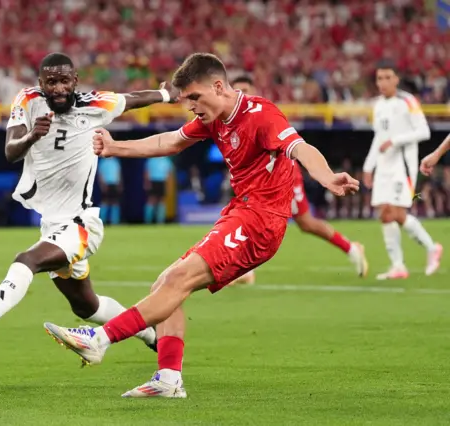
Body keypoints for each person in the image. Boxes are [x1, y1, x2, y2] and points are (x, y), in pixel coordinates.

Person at [43, 53, 359, 398]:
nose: (191, 106)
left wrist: (327, 176)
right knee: (165, 284)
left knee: (177, 280)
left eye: (195, 97)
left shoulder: (260, 114)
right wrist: (117, 147)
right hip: (241, 211)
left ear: (219, 86)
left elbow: (301, 148)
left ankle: (100, 339)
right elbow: (171, 141)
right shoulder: (214, 118)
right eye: (185, 100)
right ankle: (168, 379)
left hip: (261, 220)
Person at [0, 52, 179, 354]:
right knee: (87, 307)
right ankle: (152, 337)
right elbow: (11, 151)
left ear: (75, 81)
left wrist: (166, 93)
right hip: (53, 226)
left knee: (26, 261)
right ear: (41, 84)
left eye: (63, 81)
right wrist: (32, 135)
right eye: (51, 82)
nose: (58, 88)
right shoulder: (27, 100)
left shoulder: (96, 104)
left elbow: (134, 98)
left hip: (82, 224)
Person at [229, 76, 367, 285]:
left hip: (281, 176)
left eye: (245, 89)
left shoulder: (263, 114)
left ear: (254, 90)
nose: (241, 94)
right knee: (250, 216)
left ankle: (351, 248)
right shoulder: (230, 119)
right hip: (255, 180)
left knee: (302, 222)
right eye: (237, 90)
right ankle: (242, 268)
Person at [362, 61, 442, 280]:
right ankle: (398, 265)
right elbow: (378, 138)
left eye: (388, 77)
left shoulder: (408, 101)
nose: (384, 82)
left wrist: (395, 141)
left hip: (402, 166)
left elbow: (424, 131)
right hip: (383, 167)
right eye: (380, 78)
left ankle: (431, 247)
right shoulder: (377, 105)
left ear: (397, 79)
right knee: (385, 215)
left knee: (397, 213)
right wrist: (369, 167)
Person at [144, 157, 173, 224]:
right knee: (151, 200)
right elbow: (147, 172)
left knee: (162, 201)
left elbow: (169, 173)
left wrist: (168, 185)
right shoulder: (151, 159)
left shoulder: (166, 160)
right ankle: (148, 221)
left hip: (162, 181)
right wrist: (147, 183)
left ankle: (160, 221)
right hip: (153, 181)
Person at [97, 157, 122, 224]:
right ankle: (102, 221)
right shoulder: (103, 161)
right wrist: (102, 184)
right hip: (106, 183)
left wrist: (119, 183)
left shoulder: (115, 161)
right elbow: (100, 173)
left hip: (114, 183)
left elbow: (118, 172)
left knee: (115, 202)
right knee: (105, 202)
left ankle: (115, 222)